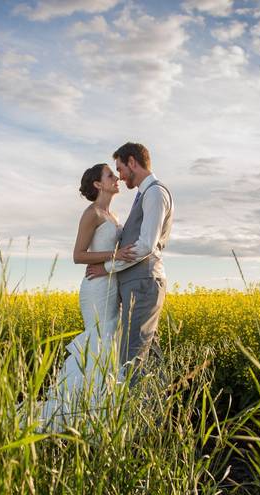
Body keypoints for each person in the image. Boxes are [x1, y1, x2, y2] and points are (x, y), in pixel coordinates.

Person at [39, 163, 136, 429]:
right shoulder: (91, 213)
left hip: (110, 285)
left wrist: (112, 263)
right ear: (97, 185)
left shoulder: (113, 216)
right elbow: (78, 255)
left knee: (109, 345)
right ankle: (76, 412)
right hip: (95, 289)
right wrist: (113, 256)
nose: (116, 178)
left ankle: (99, 412)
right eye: (110, 175)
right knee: (98, 342)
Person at [85, 142, 173, 382]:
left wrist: (106, 268)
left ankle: (134, 414)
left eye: (120, 169)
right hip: (136, 282)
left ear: (132, 162)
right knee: (142, 353)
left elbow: (145, 245)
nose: (120, 177)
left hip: (144, 281)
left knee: (133, 356)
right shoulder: (144, 194)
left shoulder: (154, 192)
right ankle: (152, 410)